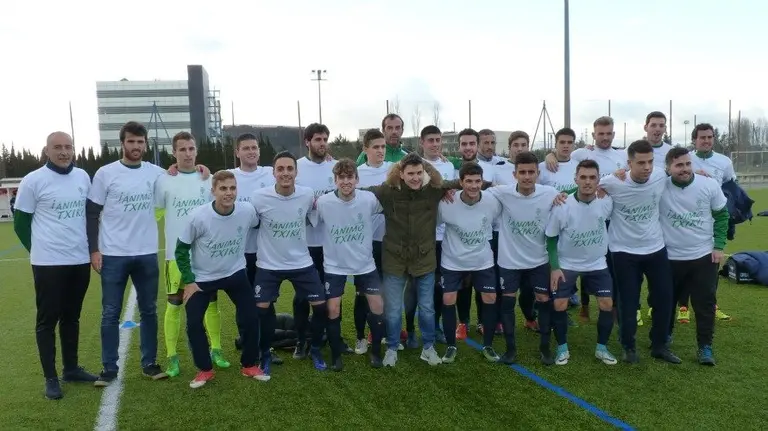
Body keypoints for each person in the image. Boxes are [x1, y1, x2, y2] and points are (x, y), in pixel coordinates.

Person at [361, 153, 467, 367]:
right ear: (401, 174)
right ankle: (391, 347)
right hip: (394, 259)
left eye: (419, 172)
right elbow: (360, 192)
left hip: (424, 258)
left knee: (427, 307)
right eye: (410, 173)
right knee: (392, 308)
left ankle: (427, 347)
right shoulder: (387, 191)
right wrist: (328, 195)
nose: (415, 178)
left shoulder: (434, 191)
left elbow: (464, 181)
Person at [13, 132, 98, 399]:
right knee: (47, 320)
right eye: (57, 147)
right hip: (48, 263)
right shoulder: (33, 180)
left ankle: (71, 368)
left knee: (71, 317)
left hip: (79, 259)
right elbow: (21, 222)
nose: (64, 152)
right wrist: (38, 250)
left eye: (68, 147)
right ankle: (51, 378)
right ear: (47, 151)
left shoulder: (83, 177)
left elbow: (88, 215)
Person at [86, 121, 169, 386]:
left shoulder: (156, 173)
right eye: (131, 141)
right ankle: (109, 368)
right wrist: (94, 250)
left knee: (149, 311)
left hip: (146, 253)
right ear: (122, 143)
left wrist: (200, 170)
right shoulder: (105, 173)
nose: (136, 146)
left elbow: (183, 179)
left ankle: (150, 364)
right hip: (113, 254)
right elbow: (91, 213)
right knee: (110, 312)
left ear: (146, 144)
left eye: (140, 142)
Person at [175, 170, 269, 388]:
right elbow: (181, 250)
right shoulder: (198, 216)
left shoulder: (246, 211)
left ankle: (249, 365)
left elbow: (258, 224)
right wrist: (189, 281)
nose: (229, 193)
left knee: (250, 317)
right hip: (203, 278)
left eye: (233, 188)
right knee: (194, 323)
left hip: (235, 273)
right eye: (223, 189)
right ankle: (205, 369)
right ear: (213, 191)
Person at [599, 139, 681, 364]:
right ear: (629, 164)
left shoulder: (658, 176)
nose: (647, 167)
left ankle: (659, 345)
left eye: (650, 162)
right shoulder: (613, 182)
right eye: (641, 163)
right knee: (628, 300)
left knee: (664, 297)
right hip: (624, 252)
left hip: (655, 248)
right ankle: (628, 346)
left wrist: (701, 173)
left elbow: (681, 173)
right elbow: (587, 188)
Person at [155, 132, 229, 378]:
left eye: (191, 148)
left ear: (196, 151)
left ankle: (216, 350)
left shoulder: (207, 178)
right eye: (182, 149)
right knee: (174, 305)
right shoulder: (163, 180)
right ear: (174, 153)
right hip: (176, 257)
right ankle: (172, 357)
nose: (188, 153)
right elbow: (155, 214)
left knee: (211, 304)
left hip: (204, 255)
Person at [251, 151, 329, 377]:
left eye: (289, 169)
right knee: (260, 310)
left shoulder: (307, 195)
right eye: (280, 169)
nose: (285, 173)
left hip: (301, 262)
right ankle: (265, 353)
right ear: (274, 173)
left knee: (321, 307)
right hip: (268, 264)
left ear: (296, 172)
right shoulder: (259, 197)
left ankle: (314, 349)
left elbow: (316, 215)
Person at [486, 152, 560, 365]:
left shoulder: (550, 193)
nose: (527, 177)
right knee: (507, 301)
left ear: (538, 173)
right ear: (514, 174)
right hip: (509, 261)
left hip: (539, 260)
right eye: (522, 172)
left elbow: (572, 196)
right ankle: (510, 349)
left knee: (544, 301)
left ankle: (545, 347)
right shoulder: (502, 193)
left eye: (531, 172)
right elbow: (475, 191)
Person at [312, 159, 386, 369]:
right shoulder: (324, 202)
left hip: (365, 263)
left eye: (350, 177)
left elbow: (388, 209)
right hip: (335, 265)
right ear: (335, 180)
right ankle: (336, 356)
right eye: (341, 178)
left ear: (356, 179)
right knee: (333, 308)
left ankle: (375, 352)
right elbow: (310, 220)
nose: (346, 181)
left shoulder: (369, 199)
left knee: (377, 304)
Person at [545, 159, 617, 366]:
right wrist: (555, 267)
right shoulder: (563, 204)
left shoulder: (606, 200)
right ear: (575, 179)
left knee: (606, 304)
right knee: (559, 304)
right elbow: (551, 237)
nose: (587, 182)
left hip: (597, 263)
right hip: (567, 263)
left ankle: (602, 348)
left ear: (598, 180)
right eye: (583, 177)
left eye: (592, 177)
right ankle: (562, 348)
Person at [660, 147, 728, 365]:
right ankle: (664, 337)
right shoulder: (658, 186)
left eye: (688, 164)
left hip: (703, 257)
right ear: (668, 168)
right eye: (679, 165)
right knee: (666, 302)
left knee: (705, 303)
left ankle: (705, 347)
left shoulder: (708, 184)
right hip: (670, 257)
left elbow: (722, 216)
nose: (685, 169)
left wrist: (718, 246)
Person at [438, 162, 502, 363]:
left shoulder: (493, 201)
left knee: (490, 297)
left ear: (482, 182)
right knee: (448, 299)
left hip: (482, 260)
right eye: (469, 181)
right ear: (460, 182)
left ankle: (488, 345)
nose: (474, 186)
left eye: (477, 181)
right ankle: (450, 346)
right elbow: (430, 223)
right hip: (453, 261)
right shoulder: (446, 202)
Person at [294, 123, 343, 359]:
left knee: (333, 293)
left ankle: (334, 337)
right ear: (307, 142)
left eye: (325, 139)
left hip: (331, 243)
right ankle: (301, 340)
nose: (322, 143)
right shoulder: (297, 168)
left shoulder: (335, 167)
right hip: (305, 244)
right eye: (317, 139)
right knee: (303, 295)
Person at [680, 123, 733, 322]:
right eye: (702, 137)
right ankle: (683, 306)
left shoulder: (724, 162)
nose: (706, 141)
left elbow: (729, 186)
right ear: (694, 140)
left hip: (713, 223)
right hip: (687, 223)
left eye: (710, 137)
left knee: (712, 266)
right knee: (684, 267)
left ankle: (712, 304)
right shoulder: (686, 159)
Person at [492, 131, 538, 332]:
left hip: (530, 236)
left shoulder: (535, 166)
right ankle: (500, 321)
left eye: (524, 145)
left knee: (529, 287)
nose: (520, 148)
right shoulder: (498, 169)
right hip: (501, 233)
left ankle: (530, 316)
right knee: (502, 282)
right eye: (516, 145)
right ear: (509, 148)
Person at [355, 129, 396, 352]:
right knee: (363, 293)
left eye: (383, 147)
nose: (380, 151)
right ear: (365, 149)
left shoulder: (393, 170)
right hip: (364, 243)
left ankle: (380, 333)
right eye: (376, 147)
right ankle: (360, 336)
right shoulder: (357, 173)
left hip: (388, 241)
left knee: (385, 291)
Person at [418, 125, 456, 347]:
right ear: (422, 143)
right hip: (423, 235)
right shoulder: (415, 165)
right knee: (421, 286)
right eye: (430, 140)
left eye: (438, 140)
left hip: (445, 236)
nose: (435, 144)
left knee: (440, 285)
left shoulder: (449, 165)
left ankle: (437, 325)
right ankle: (416, 329)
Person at [230, 133, 275, 286]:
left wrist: (325, 157)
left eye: (254, 147)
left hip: (267, 250)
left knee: (266, 297)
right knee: (246, 297)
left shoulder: (271, 173)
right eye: (246, 148)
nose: (251, 151)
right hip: (239, 251)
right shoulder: (229, 176)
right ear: (237, 153)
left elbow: (296, 170)